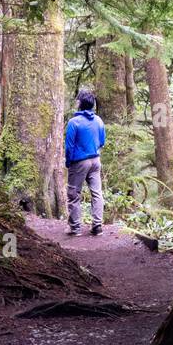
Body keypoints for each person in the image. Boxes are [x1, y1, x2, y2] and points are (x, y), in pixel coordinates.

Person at [65, 88, 106, 237]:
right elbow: (102, 142)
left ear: (80, 103)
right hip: (96, 161)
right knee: (96, 193)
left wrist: (68, 162)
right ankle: (97, 226)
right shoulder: (99, 120)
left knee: (74, 193)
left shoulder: (73, 122)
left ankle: (75, 228)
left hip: (79, 162)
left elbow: (69, 146)